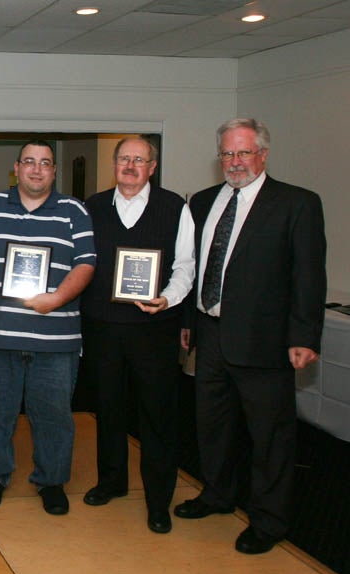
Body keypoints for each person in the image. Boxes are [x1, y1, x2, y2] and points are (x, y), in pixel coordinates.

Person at [174, 118, 326, 554]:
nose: (234, 162)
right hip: (210, 333)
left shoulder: (296, 204)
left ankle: (269, 519)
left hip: (266, 341)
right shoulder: (203, 202)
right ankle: (218, 495)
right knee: (212, 425)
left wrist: (305, 336)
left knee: (269, 435)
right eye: (227, 154)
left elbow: (308, 277)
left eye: (243, 153)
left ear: (263, 154)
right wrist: (188, 321)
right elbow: (192, 267)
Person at [0, 140, 96, 515]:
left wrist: (55, 300)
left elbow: (86, 265)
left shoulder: (74, 211)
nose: (37, 169)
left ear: (54, 171)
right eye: (30, 162)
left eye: (45, 163)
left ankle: (51, 481)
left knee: (54, 415)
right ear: (17, 167)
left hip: (55, 338)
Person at [80, 136, 195, 534]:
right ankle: (111, 481)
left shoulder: (175, 208)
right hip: (102, 328)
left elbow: (185, 265)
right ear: (114, 165)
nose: (130, 166)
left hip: (154, 330)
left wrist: (167, 298)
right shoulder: (92, 207)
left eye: (139, 160)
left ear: (153, 166)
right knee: (107, 407)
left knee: (157, 415)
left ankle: (158, 499)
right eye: (124, 159)